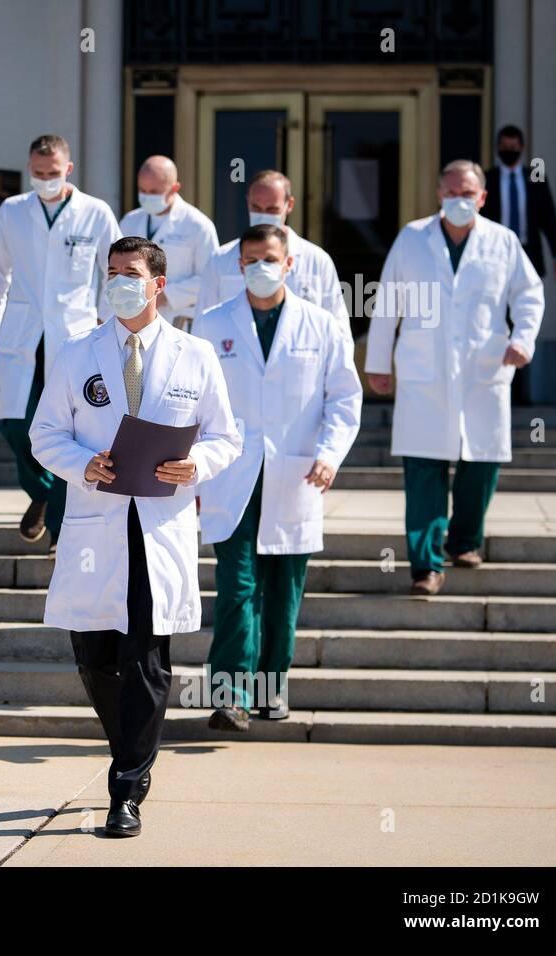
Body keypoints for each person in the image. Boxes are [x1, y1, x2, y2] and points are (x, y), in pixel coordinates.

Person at [30, 236, 241, 837]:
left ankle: (126, 789)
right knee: (94, 656)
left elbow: (228, 437)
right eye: (112, 272)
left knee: (146, 661)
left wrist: (196, 465)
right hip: (97, 523)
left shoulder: (195, 355)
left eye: (131, 273)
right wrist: (82, 464)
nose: (119, 281)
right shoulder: (75, 354)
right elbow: (45, 434)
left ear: (158, 284)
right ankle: (133, 749)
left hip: (159, 524)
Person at [194, 224, 363, 731]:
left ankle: (273, 686)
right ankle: (231, 695)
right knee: (237, 585)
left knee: (284, 590)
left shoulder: (321, 325)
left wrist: (331, 454)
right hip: (232, 474)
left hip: (296, 473)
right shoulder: (210, 324)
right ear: (238, 266)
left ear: (290, 264)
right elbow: (193, 404)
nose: (259, 268)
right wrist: (196, 473)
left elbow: (345, 397)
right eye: (250, 260)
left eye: (269, 259)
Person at [365, 160, 543, 596]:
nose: (459, 201)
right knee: (423, 468)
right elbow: (389, 298)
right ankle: (426, 566)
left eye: (468, 194)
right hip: (424, 372)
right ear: (438, 195)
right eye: (451, 192)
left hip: (484, 370)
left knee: (480, 463)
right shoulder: (413, 237)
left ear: (482, 198)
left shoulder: (503, 241)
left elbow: (529, 295)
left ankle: (465, 541)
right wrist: (377, 360)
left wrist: (524, 340)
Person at [0, 134, 122, 547]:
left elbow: (115, 270)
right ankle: (41, 492)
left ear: (68, 169)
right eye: (38, 174)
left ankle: (59, 525)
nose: (45, 180)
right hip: (21, 334)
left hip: (76, 334)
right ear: (29, 170)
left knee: (68, 431)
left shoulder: (95, 213)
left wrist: (105, 322)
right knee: (14, 426)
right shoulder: (13, 211)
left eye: (53, 173)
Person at [197, 170, 349, 329]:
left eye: (271, 209)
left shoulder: (317, 260)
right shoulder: (220, 260)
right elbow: (203, 324)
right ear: (248, 202)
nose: (263, 215)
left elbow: (339, 327)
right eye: (256, 207)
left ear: (289, 205)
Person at [482, 125, 556, 405]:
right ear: (497, 148)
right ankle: (502, 389)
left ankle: (523, 392)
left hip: (528, 260)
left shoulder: (536, 178)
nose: (509, 151)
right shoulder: (488, 179)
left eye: (514, 147)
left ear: (522, 147)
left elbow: (549, 220)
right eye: (504, 147)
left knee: (525, 323)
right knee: (497, 324)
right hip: (493, 263)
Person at [117, 155, 219, 329]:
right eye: (143, 190)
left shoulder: (198, 226)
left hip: (179, 321)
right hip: (132, 318)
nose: (147, 196)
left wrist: (163, 295)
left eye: (154, 192)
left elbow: (210, 278)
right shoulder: (130, 221)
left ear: (175, 188)